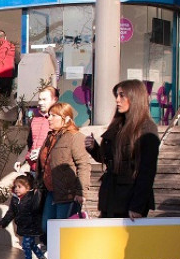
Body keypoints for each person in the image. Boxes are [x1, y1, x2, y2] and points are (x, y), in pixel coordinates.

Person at [86, 79, 160, 219]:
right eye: (117, 96)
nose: (117, 100)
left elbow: (147, 171)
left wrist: (137, 206)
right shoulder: (118, 125)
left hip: (129, 199)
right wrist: (94, 148)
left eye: (122, 95)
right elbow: (108, 158)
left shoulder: (146, 128)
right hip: (110, 197)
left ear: (135, 97)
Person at [39, 101, 91, 242]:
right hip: (51, 191)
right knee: (46, 227)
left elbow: (83, 165)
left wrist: (81, 192)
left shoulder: (75, 137)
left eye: (53, 115)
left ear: (65, 118)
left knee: (62, 231)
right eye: (48, 115)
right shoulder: (50, 137)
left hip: (68, 193)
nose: (48, 118)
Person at [0, 174, 46, 259]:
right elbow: (11, 212)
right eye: (15, 187)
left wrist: (37, 193)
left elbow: (37, 208)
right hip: (23, 226)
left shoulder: (32, 197)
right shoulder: (15, 199)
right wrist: (4, 222)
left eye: (19, 187)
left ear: (27, 188)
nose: (17, 189)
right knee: (32, 244)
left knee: (26, 244)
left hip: (32, 226)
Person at [23, 86, 58, 177]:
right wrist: (23, 161)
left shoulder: (58, 120)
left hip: (50, 169)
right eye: (39, 99)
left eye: (44, 99)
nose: (40, 103)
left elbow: (60, 145)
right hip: (33, 167)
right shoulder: (35, 119)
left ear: (54, 100)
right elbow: (30, 143)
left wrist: (42, 152)